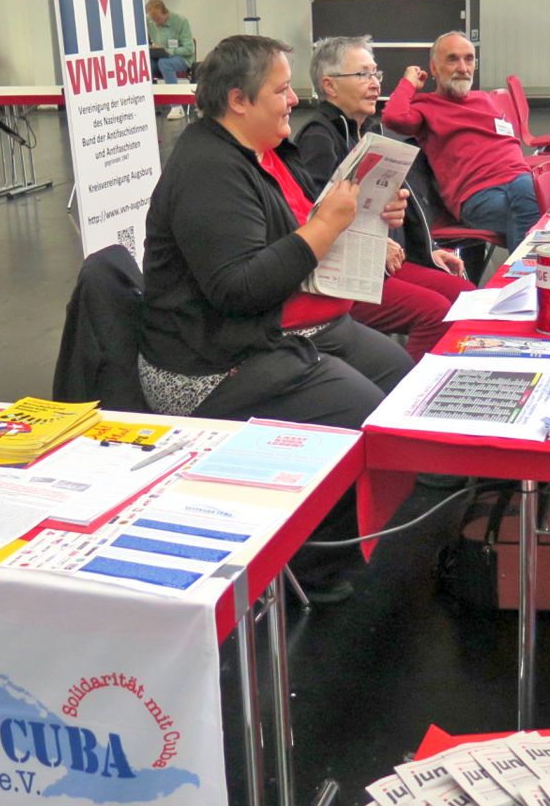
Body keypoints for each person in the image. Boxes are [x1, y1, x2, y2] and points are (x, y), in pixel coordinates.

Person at [139, 34, 413, 599]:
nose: (294, 100)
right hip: (207, 365)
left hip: (263, 333)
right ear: (239, 100)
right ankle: (310, 565)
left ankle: (346, 535)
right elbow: (239, 288)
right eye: (282, 90)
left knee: (396, 378)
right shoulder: (209, 171)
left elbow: (289, 238)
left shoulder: (253, 154)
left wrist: (361, 221)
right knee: (361, 409)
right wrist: (326, 228)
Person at [295, 35, 474, 360]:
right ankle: (409, 394)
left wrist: (428, 251)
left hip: (381, 261)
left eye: (376, 74)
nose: (375, 83)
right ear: (330, 86)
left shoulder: (371, 131)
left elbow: (397, 208)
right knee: (434, 311)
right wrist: (376, 243)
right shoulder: (318, 139)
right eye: (362, 74)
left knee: (467, 296)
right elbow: (309, 219)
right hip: (344, 271)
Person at [381, 32, 539, 250]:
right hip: (477, 196)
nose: (463, 68)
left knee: (534, 201)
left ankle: (523, 277)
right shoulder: (426, 107)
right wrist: (408, 83)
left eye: (469, 59)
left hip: (518, 181)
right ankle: (531, 277)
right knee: (535, 211)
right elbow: (393, 117)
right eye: (452, 59)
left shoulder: (484, 99)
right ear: (434, 68)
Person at [145, 0, 194, 120]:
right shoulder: (150, 22)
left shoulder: (181, 22)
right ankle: (148, 105)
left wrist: (167, 51)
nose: (156, 23)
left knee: (164, 63)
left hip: (182, 59)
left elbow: (189, 49)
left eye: (158, 20)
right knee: (146, 65)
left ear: (165, 13)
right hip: (159, 57)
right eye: (153, 20)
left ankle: (176, 106)